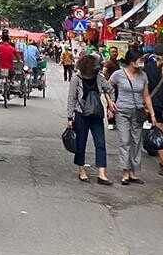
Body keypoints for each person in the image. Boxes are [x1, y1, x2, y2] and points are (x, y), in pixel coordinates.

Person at [110, 49, 157, 185]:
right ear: (131, 62)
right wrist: (110, 102)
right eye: (140, 60)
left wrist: (152, 114)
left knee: (136, 141)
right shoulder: (118, 74)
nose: (142, 63)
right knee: (125, 141)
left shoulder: (143, 76)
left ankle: (133, 172)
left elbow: (146, 95)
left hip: (138, 112)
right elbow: (108, 87)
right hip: (122, 111)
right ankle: (125, 172)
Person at [66, 54, 114, 185]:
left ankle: (102, 174)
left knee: (100, 143)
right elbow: (71, 98)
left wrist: (111, 104)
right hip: (81, 115)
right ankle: (81, 170)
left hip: (96, 115)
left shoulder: (99, 77)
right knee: (80, 144)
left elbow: (110, 89)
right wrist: (70, 117)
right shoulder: (76, 78)